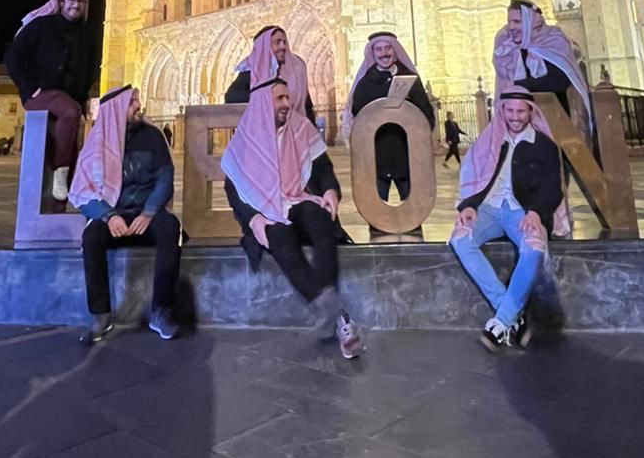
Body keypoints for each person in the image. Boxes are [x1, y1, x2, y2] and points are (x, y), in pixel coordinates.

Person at [221, 44, 360, 359]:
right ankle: (339, 318)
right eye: (280, 99)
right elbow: (234, 188)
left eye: (287, 97)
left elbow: (322, 167)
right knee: (277, 235)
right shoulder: (247, 138)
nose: (288, 103)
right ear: (262, 104)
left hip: (296, 199)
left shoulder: (300, 126)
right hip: (265, 213)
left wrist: (330, 192)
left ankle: (327, 312)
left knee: (320, 218)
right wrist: (253, 220)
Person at [449, 87, 563, 353]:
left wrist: (536, 211)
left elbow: (552, 188)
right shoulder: (490, 140)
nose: (515, 116)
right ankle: (512, 315)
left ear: (530, 112)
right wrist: (469, 205)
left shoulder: (544, 145)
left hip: (522, 210)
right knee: (460, 238)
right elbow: (474, 176)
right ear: (502, 112)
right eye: (510, 110)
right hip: (487, 208)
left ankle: (500, 322)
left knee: (534, 246)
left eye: (520, 111)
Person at [69, 85, 183, 344]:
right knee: (92, 237)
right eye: (133, 102)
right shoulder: (96, 144)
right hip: (114, 217)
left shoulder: (152, 137)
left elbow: (165, 177)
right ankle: (101, 315)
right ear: (117, 109)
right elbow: (82, 193)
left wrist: (150, 211)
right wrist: (109, 216)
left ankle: (161, 310)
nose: (139, 106)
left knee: (170, 227)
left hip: (146, 215)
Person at [5, 0, 97, 201]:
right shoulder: (41, 26)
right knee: (70, 112)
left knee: (72, 138)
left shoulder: (87, 34)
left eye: (81, 2)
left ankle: (61, 202)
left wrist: (83, 100)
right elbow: (13, 58)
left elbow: (89, 70)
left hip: (70, 98)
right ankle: (61, 169)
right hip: (42, 93)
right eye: (72, 1)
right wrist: (30, 88)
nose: (76, 6)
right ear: (61, 1)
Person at [342, 31, 433, 235]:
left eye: (388, 48)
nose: (384, 53)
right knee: (376, 218)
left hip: (408, 158)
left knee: (414, 217)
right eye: (379, 49)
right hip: (376, 160)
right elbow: (359, 115)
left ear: (395, 50)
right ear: (373, 53)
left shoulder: (410, 78)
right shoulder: (366, 83)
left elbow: (426, 113)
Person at [491, 0, 591, 127]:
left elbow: (558, 82)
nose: (511, 27)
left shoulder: (554, 40)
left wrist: (517, 86)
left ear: (530, 22)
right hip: (517, 127)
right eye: (509, 22)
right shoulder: (508, 49)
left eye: (517, 22)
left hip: (553, 123)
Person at [225, 24, 316, 122]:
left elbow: (306, 104)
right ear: (264, 47)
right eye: (277, 42)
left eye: (284, 42)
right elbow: (232, 96)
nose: (283, 46)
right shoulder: (253, 68)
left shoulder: (298, 67)